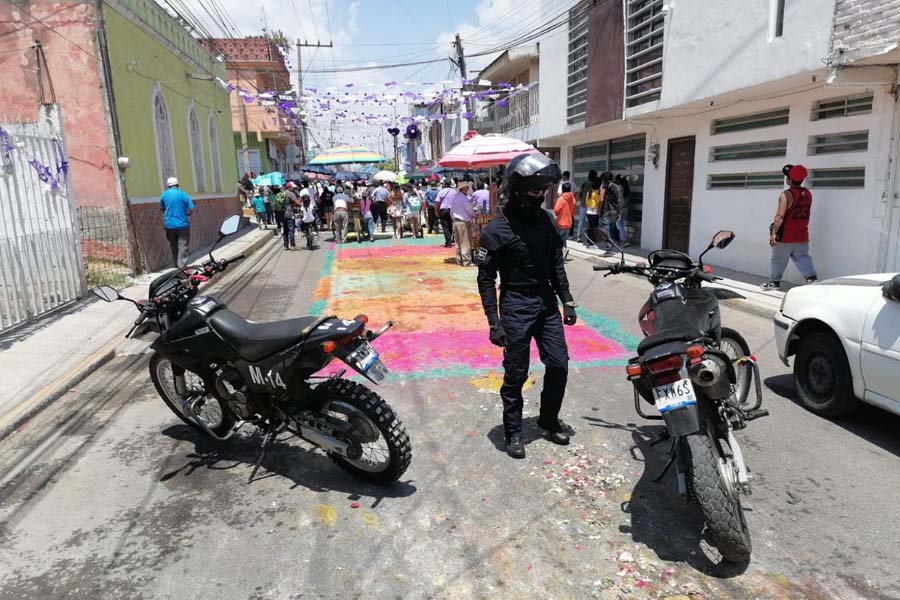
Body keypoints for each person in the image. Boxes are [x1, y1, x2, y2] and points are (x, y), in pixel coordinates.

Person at [477, 153, 577, 459]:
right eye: (534, 190)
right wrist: (494, 322)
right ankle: (514, 431)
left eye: (543, 190)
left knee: (559, 365)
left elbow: (555, 266)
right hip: (515, 304)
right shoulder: (496, 229)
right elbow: (484, 278)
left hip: (545, 302)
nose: (539, 195)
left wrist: (567, 300)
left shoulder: (547, 221)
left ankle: (548, 420)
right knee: (516, 373)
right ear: (518, 188)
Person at [762, 164, 818, 289]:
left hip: (786, 237)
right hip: (802, 235)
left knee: (778, 259)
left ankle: (774, 282)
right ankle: (812, 278)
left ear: (789, 180)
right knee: (802, 257)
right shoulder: (808, 193)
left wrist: (773, 233)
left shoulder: (786, 195)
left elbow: (780, 216)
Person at [160, 177, 194, 268]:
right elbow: (190, 209)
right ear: (178, 185)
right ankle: (181, 266)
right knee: (183, 245)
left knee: (173, 244)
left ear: (168, 186)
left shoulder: (164, 195)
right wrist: (187, 213)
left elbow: (162, 209)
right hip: (182, 225)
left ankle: (176, 264)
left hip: (169, 226)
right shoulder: (183, 195)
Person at [450, 180, 476, 266]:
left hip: (456, 221)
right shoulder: (463, 198)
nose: (468, 189)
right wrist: (474, 215)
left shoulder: (455, 197)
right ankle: (466, 261)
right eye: (467, 187)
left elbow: (451, 211)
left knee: (458, 242)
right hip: (463, 222)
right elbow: (469, 210)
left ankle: (459, 260)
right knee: (465, 242)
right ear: (464, 189)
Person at [599, 172, 622, 257]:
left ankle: (609, 250)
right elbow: (618, 201)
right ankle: (610, 249)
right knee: (610, 231)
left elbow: (618, 201)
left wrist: (619, 213)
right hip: (612, 213)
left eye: (602, 179)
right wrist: (618, 212)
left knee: (607, 232)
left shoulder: (606, 187)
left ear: (604, 179)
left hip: (608, 213)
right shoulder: (614, 187)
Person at [437, 179, 455, 248]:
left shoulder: (441, 191)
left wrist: (436, 211)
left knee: (445, 226)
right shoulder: (454, 191)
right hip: (451, 210)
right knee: (450, 225)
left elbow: (437, 202)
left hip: (443, 210)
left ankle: (448, 242)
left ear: (444, 184)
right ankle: (449, 240)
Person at [613, 174, 631, 247]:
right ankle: (623, 240)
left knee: (619, 225)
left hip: (620, 209)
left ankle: (624, 240)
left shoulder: (619, 187)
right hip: (624, 208)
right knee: (620, 225)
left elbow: (620, 200)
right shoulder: (625, 187)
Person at [282, 181, 299, 250]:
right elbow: (297, 203)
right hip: (289, 213)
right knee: (291, 229)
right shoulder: (291, 194)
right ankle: (292, 245)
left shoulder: (283, 193)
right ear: (289, 187)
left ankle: (286, 245)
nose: (294, 188)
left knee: (285, 230)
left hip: (282, 214)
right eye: (293, 187)